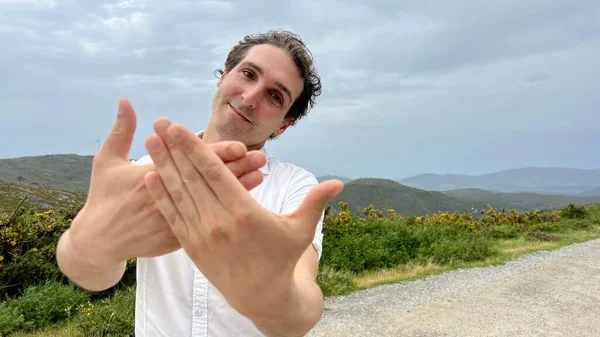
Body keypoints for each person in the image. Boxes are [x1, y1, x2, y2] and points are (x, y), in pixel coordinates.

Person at [56, 29, 344, 337]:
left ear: (284, 125)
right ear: (223, 76)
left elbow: (302, 305)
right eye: (248, 74)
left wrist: (274, 299)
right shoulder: (147, 174)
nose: (249, 98)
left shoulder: (294, 187)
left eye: (275, 96)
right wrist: (87, 245)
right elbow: (94, 277)